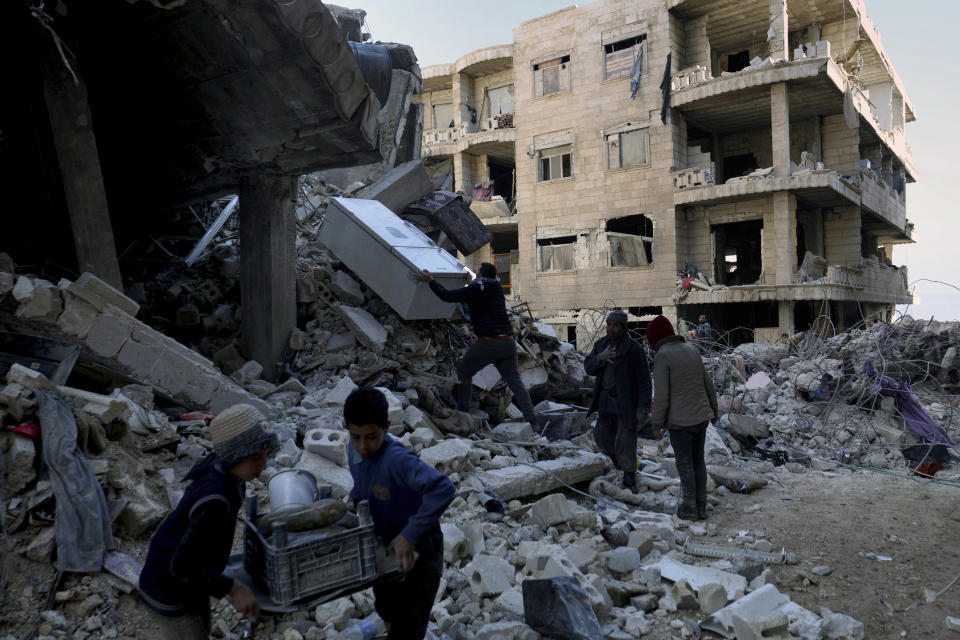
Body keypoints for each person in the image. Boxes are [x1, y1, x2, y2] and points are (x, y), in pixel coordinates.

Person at [139, 403, 278, 639]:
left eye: (266, 456)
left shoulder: (229, 473)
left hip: (191, 582)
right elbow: (183, 566)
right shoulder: (215, 499)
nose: (263, 465)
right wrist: (233, 588)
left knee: (201, 624)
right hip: (168, 589)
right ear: (235, 456)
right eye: (255, 457)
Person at [345, 387, 456, 640]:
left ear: (386, 426)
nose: (363, 446)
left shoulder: (397, 460)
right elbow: (362, 484)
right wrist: (351, 503)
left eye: (371, 436)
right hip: (384, 546)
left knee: (411, 620)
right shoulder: (353, 451)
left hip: (419, 550)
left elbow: (443, 488)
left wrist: (409, 534)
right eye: (356, 436)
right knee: (386, 606)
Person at [412, 262, 537, 424]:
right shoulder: (497, 288)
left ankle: (463, 414)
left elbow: (447, 296)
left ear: (480, 274)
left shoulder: (475, 288)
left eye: (478, 272)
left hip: (489, 343)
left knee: (464, 372)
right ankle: (533, 420)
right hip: (508, 342)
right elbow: (483, 304)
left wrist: (431, 280)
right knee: (516, 383)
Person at [646, 315, 719, 521]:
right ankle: (701, 505)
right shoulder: (692, 350)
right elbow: (708, 384)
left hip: (680, 422)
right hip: (701, 417)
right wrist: (714, 410)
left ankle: (688, 506)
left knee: (685, 463)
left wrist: (657, 423)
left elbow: (661, 395)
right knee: (698, 462)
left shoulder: (663, 356)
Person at [584, 310, 652, 493]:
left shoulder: (633, 349)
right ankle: (619, 467)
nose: (611, 328)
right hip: (605, 402)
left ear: (623, 328)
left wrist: (643, 407)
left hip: (626, 405)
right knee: (603, 439)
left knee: (626, 443)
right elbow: (588, 367)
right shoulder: (600, 345)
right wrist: (600, 358)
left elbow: (644, 380)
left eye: (615, 325)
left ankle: (630, 481)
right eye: (609, 324)